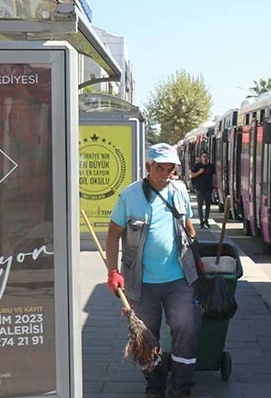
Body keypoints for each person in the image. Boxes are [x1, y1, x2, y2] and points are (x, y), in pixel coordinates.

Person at [105, 143, 200, 398]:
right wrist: (112, 272)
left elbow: (189, 228)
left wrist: (196, 255)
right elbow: (113, 235)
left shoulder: (179, 192)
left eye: (171, 169)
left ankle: (181, 387)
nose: (166, 174)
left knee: (186, 328)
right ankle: (155, 386)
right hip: (141, 283)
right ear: (148, 167)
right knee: (146, 336)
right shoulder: (129, 196)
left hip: (179, 279)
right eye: (160, 168)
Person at [189, 152, 215, 228]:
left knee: (208, 205)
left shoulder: (211, 166)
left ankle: (206, 220)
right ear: (201, 157)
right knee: (200, 206)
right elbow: (192, 175)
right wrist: (199, 172)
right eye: (203, 156)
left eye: (206, 156)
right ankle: (201, 222)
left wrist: (214, 186)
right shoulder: (197, 166)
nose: (205, 158)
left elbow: (214, 176)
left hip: (208, 188)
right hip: (199, 188)